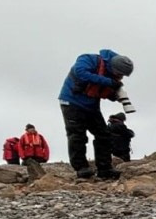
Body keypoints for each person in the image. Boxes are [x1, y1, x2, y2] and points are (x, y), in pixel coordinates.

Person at [57, 49, 134, 179]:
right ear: (113, 67)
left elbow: (102, 90)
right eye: (119, 74)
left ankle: (105, 169)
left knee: (104, 135)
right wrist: (110, 83)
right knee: (77, 135)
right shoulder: (88, 59)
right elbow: (81, 73)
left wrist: (117, 96)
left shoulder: (111, 75)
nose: (120, 77)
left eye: (123, 76)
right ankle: (81, 168)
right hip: (71, 102)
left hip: (91, 106)